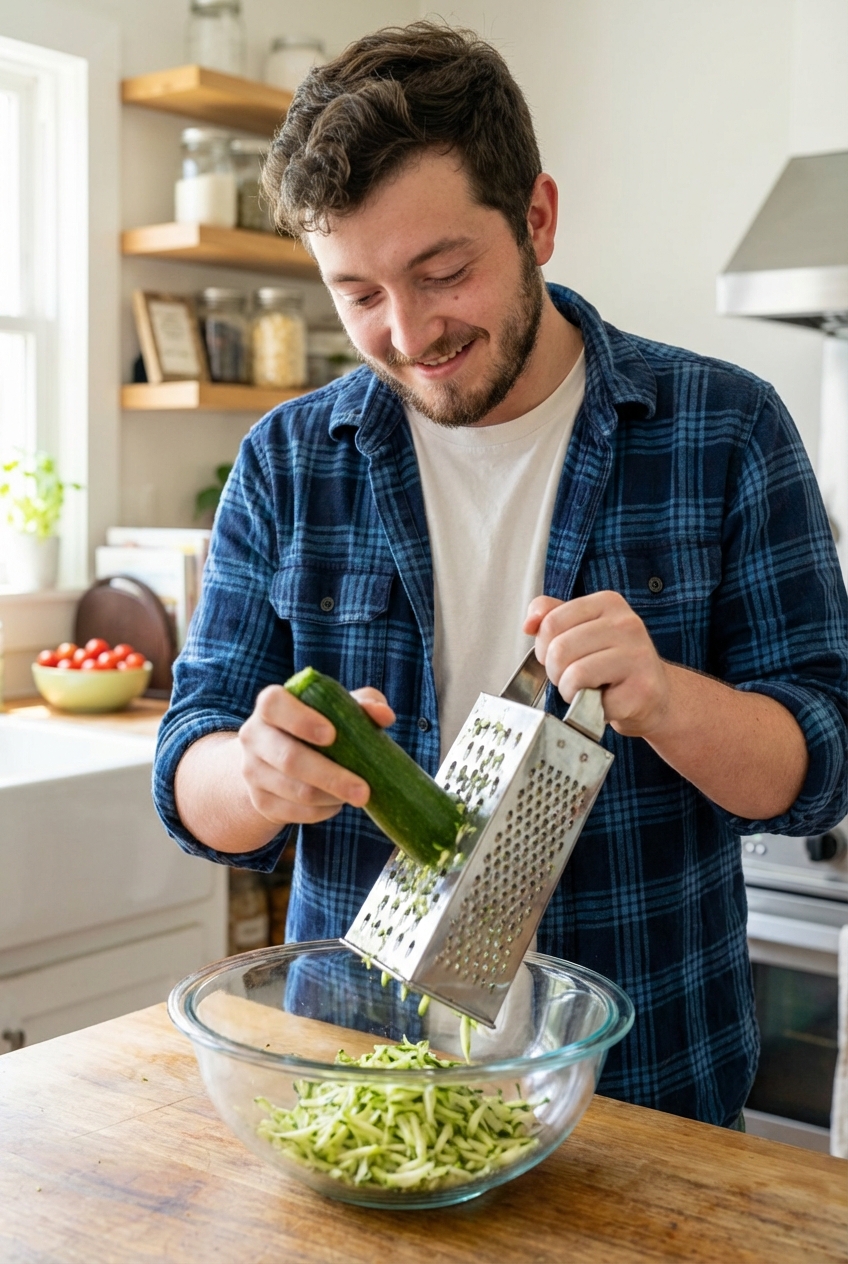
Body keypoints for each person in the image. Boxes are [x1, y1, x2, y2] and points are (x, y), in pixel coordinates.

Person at [153, 22, 848, 1127]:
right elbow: (188, 770)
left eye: (442, 272)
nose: (408, 331)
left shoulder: (725, 430)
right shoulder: (285, 463)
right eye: (358, 293)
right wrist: (254, 772)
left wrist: (666, 700)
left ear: (536, 218)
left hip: (644, 1086)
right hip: (354, 1078)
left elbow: (819, 763)